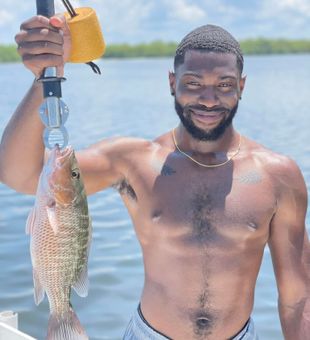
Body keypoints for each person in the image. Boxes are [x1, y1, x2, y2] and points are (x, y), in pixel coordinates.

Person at [0, 14, 309, 340]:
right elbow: (19, 174)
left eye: (224, 84)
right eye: (192, 82)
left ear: (241, 86)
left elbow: (298, 298)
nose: (208, 98)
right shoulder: (134, 161)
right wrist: (44, 79)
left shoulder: (278, 175)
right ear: (172, 82)